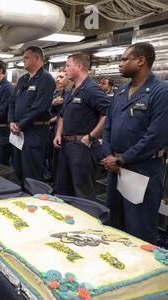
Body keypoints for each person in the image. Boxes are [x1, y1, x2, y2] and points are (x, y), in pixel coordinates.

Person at [102, 42, 168, 244]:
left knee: (139, 229)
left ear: (140, 61)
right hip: (116, 168)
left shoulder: (161, 92)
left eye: (124, 59)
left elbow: (156, 136)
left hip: (142, 170)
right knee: (115, 224)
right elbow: (108, 127)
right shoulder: (121, 92)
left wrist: (122, 159)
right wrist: (109, 156)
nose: (120, 64)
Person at [53, 53, 111, 201]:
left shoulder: (91, 89)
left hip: (82, 147)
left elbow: (109, 113)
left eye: (68, 66)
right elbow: (62, 115)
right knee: (63, 189)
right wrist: (58, 133)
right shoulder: (72, 89)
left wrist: (92, 136)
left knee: (83, 192)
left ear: (79, 67)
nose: (65, 70)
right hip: (66, 145)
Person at [9, 46, 55, 182]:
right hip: (18, 132)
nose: (24, 60)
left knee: (32, 172)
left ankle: (34, 200)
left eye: (26, 57)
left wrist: (21, 124)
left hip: (35, 131)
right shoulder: (23, 79)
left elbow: (39, 107)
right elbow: (12, 103)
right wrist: (11, 121)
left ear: (37, 58)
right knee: (17, 170)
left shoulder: (46, 79)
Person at [48, 70, 73, 181]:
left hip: (69, 133)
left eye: (61, 77)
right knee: (54, 159)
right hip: (56, 131)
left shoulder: (73, 92)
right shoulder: (60, 94)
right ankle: (55, 181)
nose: (58, 79)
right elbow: (56, 112)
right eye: (57, 77)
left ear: (68, 78)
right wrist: (52, 104)